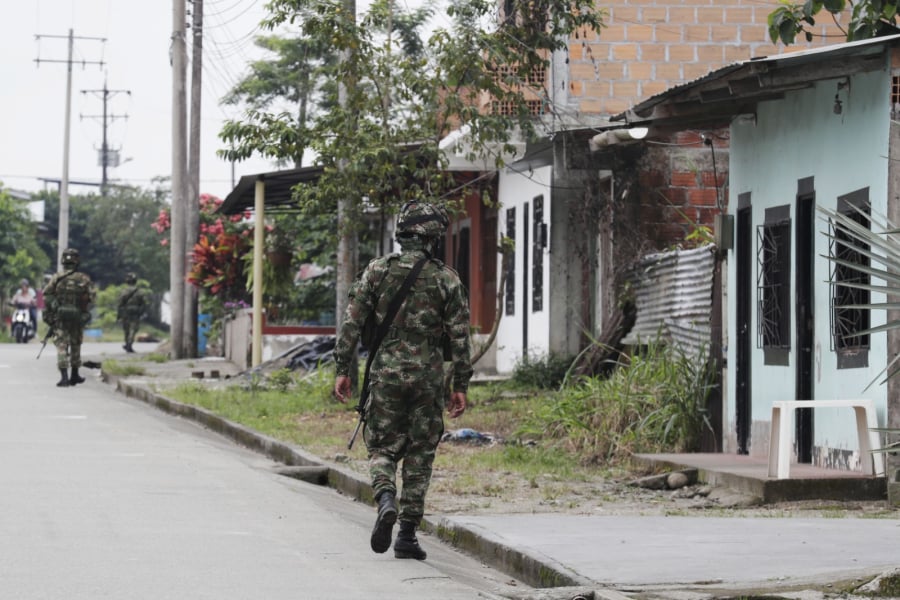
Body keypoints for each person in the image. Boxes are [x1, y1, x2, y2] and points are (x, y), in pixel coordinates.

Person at [333, 200, 473, 560]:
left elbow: (351, 323)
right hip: (427, 379)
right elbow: (460, 337)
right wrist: (460, 384)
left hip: (385, 375)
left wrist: (342, 369)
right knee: (420, 454)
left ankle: (384, 498)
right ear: (431, 237)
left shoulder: (377, 271)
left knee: (381, 448)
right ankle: (407, 535)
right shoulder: (447, 278)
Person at [42, 248, 95, 387]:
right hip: (77, 318)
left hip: (60, 318)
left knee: (61, 346)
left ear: (63, 261)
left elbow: (46, 294)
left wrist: (56, 308)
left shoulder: (56, 277)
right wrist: (84, 311)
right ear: (77, 261)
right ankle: (75, 375)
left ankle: (64, 377)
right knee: (76, 344)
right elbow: (92, 298)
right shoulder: (83, 279)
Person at [117, 272, 146, 353]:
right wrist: (141, 312)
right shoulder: (140, 291)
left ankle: (127, 344)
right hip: (135, 313)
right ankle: (129, 344)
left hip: (126, 312)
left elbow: (120, 303)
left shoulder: (124, 291)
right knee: (133, 329)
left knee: (126, 329)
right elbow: (143, 304)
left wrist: (119, 315)